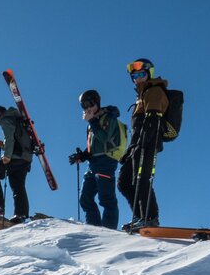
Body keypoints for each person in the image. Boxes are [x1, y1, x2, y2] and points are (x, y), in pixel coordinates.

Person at [118, 58, 169, 230]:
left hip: (148, 142)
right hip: (137, 144)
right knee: (124, 182)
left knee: (142, 180)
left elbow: (153, 118)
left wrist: (144, 142)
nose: (138, 78)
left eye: (141, 74)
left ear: (149, 74)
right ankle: (140, 217)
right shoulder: (140, 97)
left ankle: (150, 218)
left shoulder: (154, 91)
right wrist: (130, 149)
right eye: (134, 76)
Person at [68, 89, 122, 229]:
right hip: (93, 164)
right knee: (85, 199)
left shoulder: (109, 117)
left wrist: (92, 120)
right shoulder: (92, 124)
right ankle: (94, 230)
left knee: (106, 199)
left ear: (96, 102)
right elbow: (94, 146)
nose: (87, 108)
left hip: (106, 161)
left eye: (89, 104)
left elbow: (105, 138)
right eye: (83, 106)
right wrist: (83, 156)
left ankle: (109, 232)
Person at [0, 105, 32, 223]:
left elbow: (10, 138)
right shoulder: (16, 119)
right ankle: (21, 214)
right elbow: (16, 139)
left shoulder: (6, 120)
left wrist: (6, 155)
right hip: (25, 158)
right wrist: (4, 146)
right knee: (18, 186)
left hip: (14, 157)